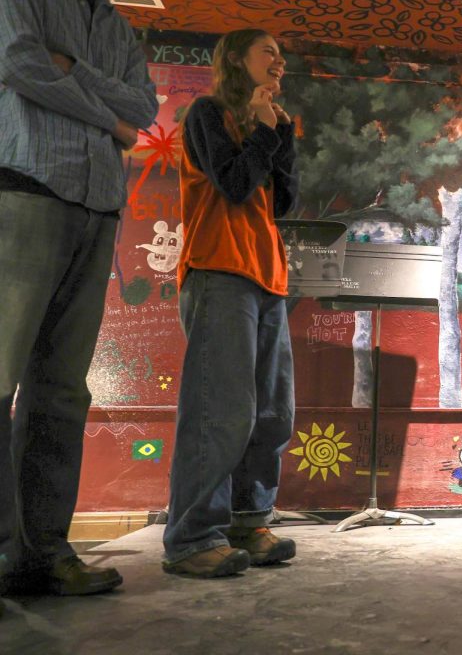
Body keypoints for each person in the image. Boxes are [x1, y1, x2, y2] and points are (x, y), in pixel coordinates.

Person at [0, 0, 156, 598]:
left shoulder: (118, 24)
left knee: (62, 391)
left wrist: (85, 85)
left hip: (96, 211)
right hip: (25, 193)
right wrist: (109, 115)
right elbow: (21, 62)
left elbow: (145, 109)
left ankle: (44, 553)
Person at [163, 28, 300, 577]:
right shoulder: (205, 113)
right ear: (237, 60)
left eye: (280, 53)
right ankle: (193, 537)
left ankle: (249, 519)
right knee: (220, 409)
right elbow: (235, 184)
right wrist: (267, 135)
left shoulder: (273, 123)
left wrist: (280, 137)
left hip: (267, 277)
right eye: (268, 50)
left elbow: (282, 202)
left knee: (272, 411)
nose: (279, 60)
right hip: (218, 269)